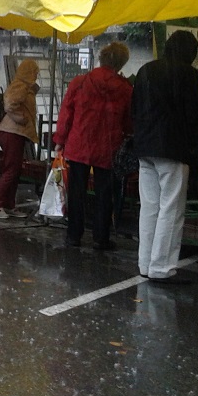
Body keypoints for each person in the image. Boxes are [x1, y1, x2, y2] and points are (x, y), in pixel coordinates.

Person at [131, 30, 198, 284]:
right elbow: (197, 112)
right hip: (173, 148)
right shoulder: (187, 73)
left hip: (144, 147)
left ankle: (145, 263)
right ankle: (162, 268)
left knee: (150, 207)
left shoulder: (145, 70)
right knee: (171, 208)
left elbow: (134, 108)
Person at [53, 42, 133, 249]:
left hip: (79, 144)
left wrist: (60, 140)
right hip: (108, 147)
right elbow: (128, 122)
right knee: (104, 194)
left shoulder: (80, 82)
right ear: (121, 63)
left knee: (76, 192)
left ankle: (74, 236)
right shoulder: (125, 89)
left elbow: (66, 114)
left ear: (101, 58)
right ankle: (101, 237)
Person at [0, 58, 40, 219]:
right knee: (11, 170)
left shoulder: (26, 86)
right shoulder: (20, 85)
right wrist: (20, 118)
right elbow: (9, 104)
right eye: (34, 71)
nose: (36, 74)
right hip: (12, 132)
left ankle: (9, 204)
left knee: (15, 170)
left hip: (17, 133)